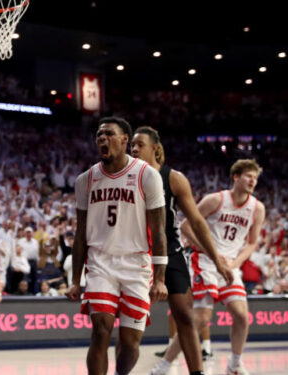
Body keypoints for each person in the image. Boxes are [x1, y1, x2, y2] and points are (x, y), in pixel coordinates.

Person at [66, 117, 168, 375]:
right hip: (101, 263)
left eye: (109, 134)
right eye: (99, 135)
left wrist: (160, 278)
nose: (102, 138)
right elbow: (80, 234)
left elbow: (158, 230)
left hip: (137, 265)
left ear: (125, 140)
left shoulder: (147, 175)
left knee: (131, 342)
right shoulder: (85, 180)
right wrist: (76, 280)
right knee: (100, 330)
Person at [131, 126, 234, 375]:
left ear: (155, 149)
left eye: (139, 144)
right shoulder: (126, 177)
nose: (133, 149)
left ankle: (196, 372)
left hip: (170, 252)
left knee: (185, 317)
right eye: (131, 145)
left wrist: (216, 259)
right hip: (136, 253)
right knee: (130, 326)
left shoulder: (173, 178)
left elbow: (197, 222)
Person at [153, 159, 265, 375]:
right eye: (249, 176)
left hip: (230, 265)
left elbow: (252, 243)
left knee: (242, 316)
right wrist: (211, 252)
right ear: (236, 177)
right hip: (204, 261)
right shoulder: (216, 200)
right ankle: (164, 366)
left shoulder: (257, 208)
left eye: (256, 178)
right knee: (200, 319)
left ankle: (234, 364)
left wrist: (235, 263)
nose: (253, 181)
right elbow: (185, 226)